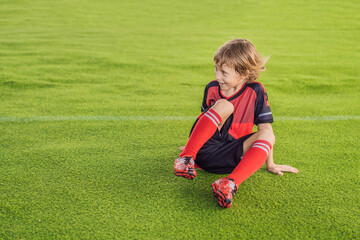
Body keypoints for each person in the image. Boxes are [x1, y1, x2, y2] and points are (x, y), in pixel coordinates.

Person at [173, 39, 298, 208]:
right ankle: (186, 158)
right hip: (202, 154)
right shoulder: (212, 88)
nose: (217, 76)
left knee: (268, 133)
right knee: (225, 105)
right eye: (216, 69)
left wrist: (270, 164)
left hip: (229, 159)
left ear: (244, 73)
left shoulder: (256, 91)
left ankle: (230, 183)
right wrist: (191, 147)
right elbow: (203, 120)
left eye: (224, 72)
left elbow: (266, 129)